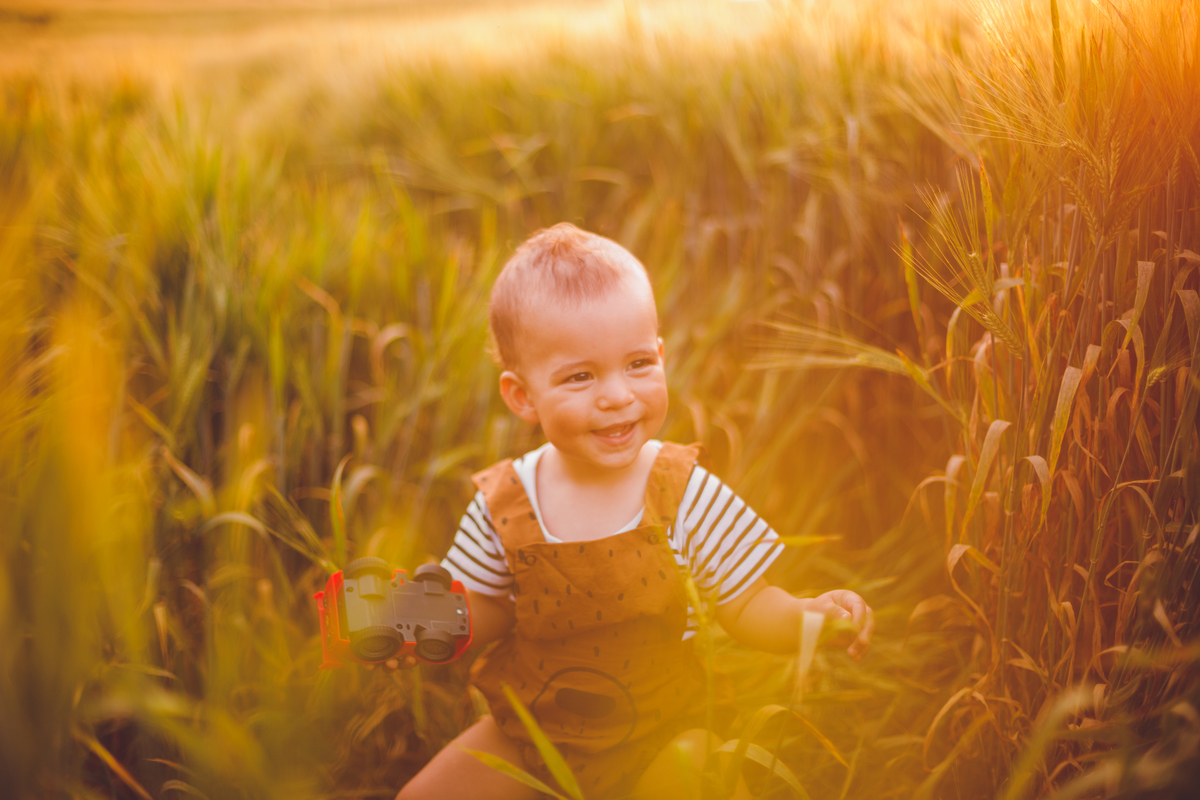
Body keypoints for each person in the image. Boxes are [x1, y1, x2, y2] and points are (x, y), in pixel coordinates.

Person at [391, 223, 873, 800]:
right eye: (580, 376)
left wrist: (807, 617)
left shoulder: (683, 491)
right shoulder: (506, 501)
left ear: (661, 355)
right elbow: (489, 607)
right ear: (522, 396)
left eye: (638, 363)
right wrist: (428, 625)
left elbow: (745, 603)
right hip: (533, 731)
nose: (617, 394)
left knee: (700, 778)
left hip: (659, 736)